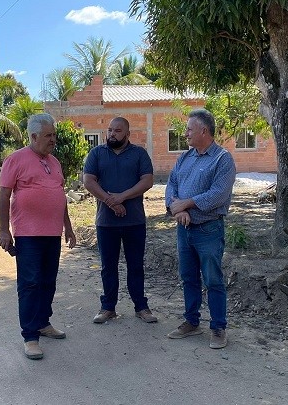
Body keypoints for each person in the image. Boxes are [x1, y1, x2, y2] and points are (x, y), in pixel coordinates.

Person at [0, 113, 77, 360]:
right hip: (28, 234)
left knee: (48, 282)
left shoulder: (54, 162)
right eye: (48, 135)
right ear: (33, 136)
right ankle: (30, 336)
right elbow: (3, 196)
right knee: (30, 284)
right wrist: (3, 230)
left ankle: (43, 323)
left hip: (52, 233)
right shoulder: (16, 160)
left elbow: (60, 196)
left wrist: (69, 228)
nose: (53, 139)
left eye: (54, 135)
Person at [164, 109, 236, 349]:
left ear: (204, 131)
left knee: (213, 279)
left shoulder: (222, 159)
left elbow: (218, 194)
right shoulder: (185, 158)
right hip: (184, 229)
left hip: (208, 230)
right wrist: (178, 209)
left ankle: (218, 328)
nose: (185, 134)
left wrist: (189, 203)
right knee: (188, 277)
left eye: (189, 129)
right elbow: (171, 185)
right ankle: (191, 322)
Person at [83, 117, 157, 325]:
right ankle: (108, 307)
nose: (112, 134)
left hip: (134, 221)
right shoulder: (96, 153)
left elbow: (147, 180)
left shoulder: (139, 154)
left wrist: (122, 197)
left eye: (117, 130)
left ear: (127, 134)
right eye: (109, 130)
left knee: (135, 266)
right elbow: (89, 181)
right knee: (108, 266)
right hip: (106, 222)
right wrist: (110, 201)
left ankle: (141, 306)